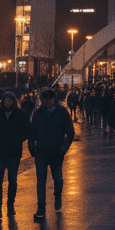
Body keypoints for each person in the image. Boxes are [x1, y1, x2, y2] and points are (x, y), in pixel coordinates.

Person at [29, 87, 75, 218]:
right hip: (41, 151)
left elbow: (70, 133)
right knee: (40, 181)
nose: (47, 101)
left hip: (56, 152)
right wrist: (31, 146)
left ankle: (57, 195)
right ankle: (41, 207)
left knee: (58, 179)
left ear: (54, 99)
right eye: (44, 99)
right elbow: (32, 132)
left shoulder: (62, 112)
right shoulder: (38, 113)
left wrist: (64, 148)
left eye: (49, 99)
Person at [0, 90, 31, 219]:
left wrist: (17, 140)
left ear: (14, 102)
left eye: (10, 100)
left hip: (14, 152)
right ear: (3, 101)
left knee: (12, 180)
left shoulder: (21, 114)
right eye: (6, 100)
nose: (8, 102)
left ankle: (10, 206)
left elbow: (27, 130)